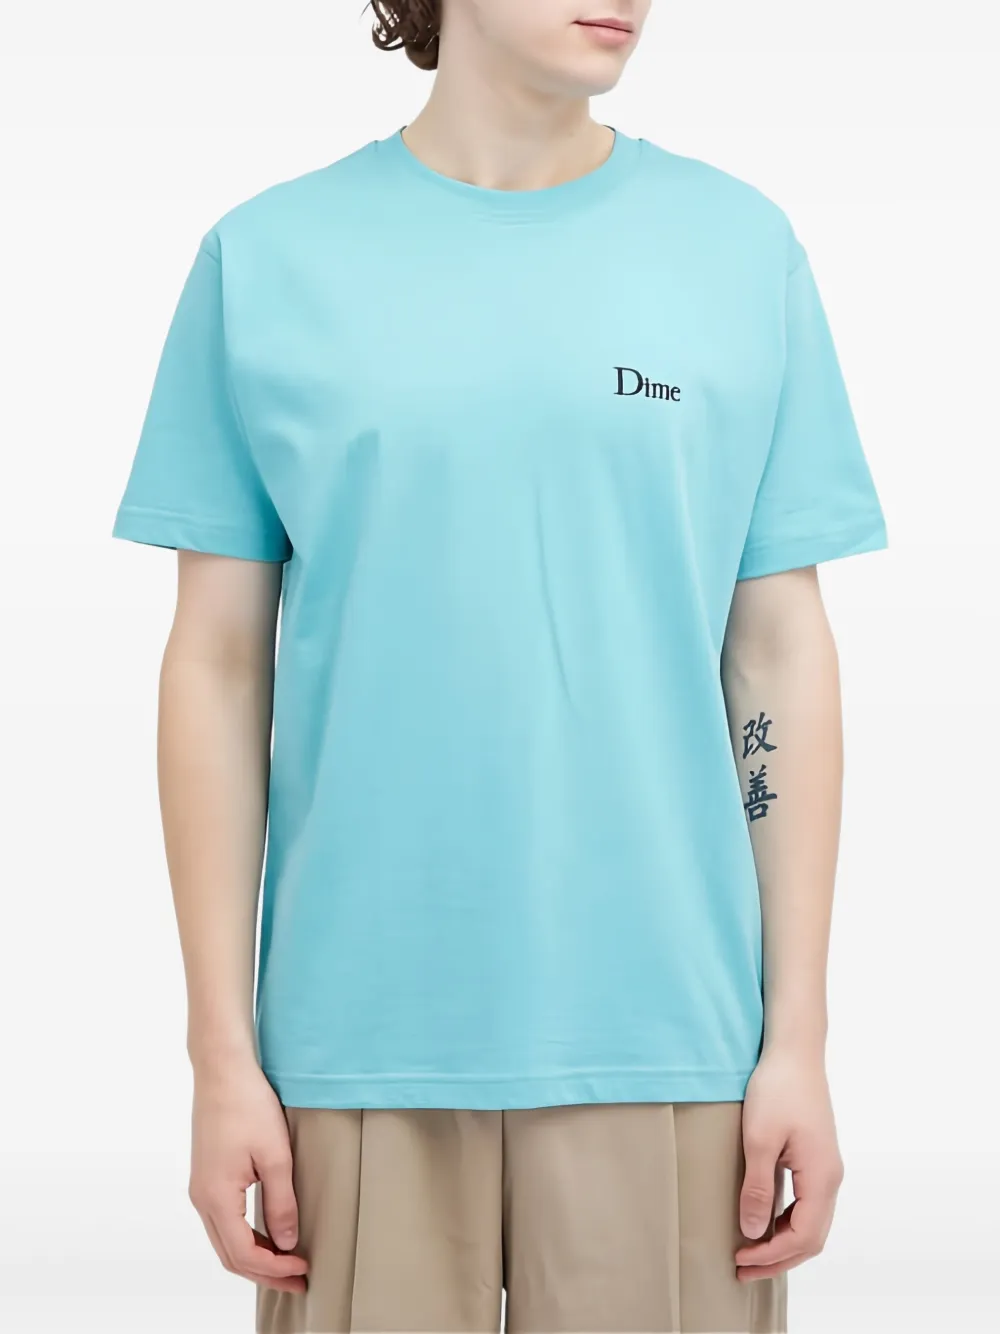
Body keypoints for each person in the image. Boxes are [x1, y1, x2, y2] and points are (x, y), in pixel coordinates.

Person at [111, 2, 888, 1330]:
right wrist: (219, 1056)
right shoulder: (269, 258)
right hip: (354, 1049)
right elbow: (218, 669)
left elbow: (777, 655)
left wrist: (799, 1039)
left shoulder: (738, 250)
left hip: (673, 1042)